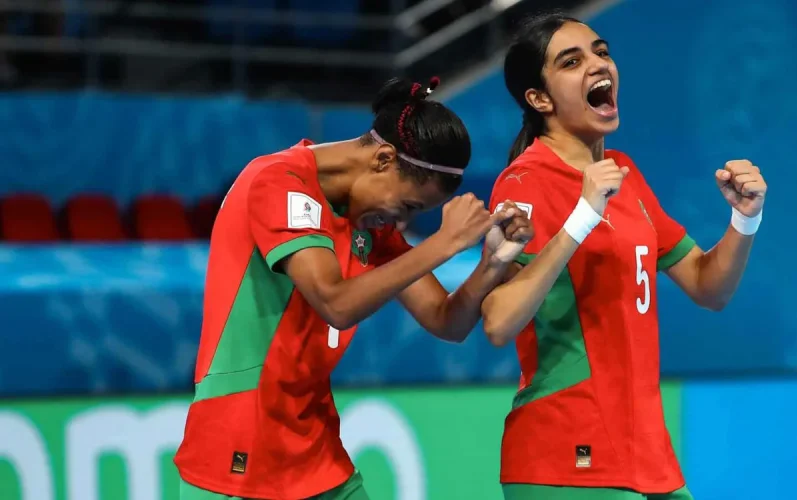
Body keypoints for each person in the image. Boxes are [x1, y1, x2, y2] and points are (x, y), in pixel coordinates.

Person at [173, 77, 533, 500]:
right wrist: (445, 242)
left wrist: (492, 263)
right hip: (238, 451)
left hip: (315, 450)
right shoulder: (278, 182)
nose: (400, 222)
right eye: (408, 206)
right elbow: (335, 303)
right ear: (383, 159)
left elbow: (446, 321)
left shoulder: (366, 217)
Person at [479, 12, 767, 500]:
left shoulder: (622, 173)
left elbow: (708, 286)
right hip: (568, 456)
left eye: (601, 52)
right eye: (571, 62)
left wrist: (745, 220)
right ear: (539, 99)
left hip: (646, 455)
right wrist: (581, 218)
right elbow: (498, 322)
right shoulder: (523, 183)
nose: (598, 64)